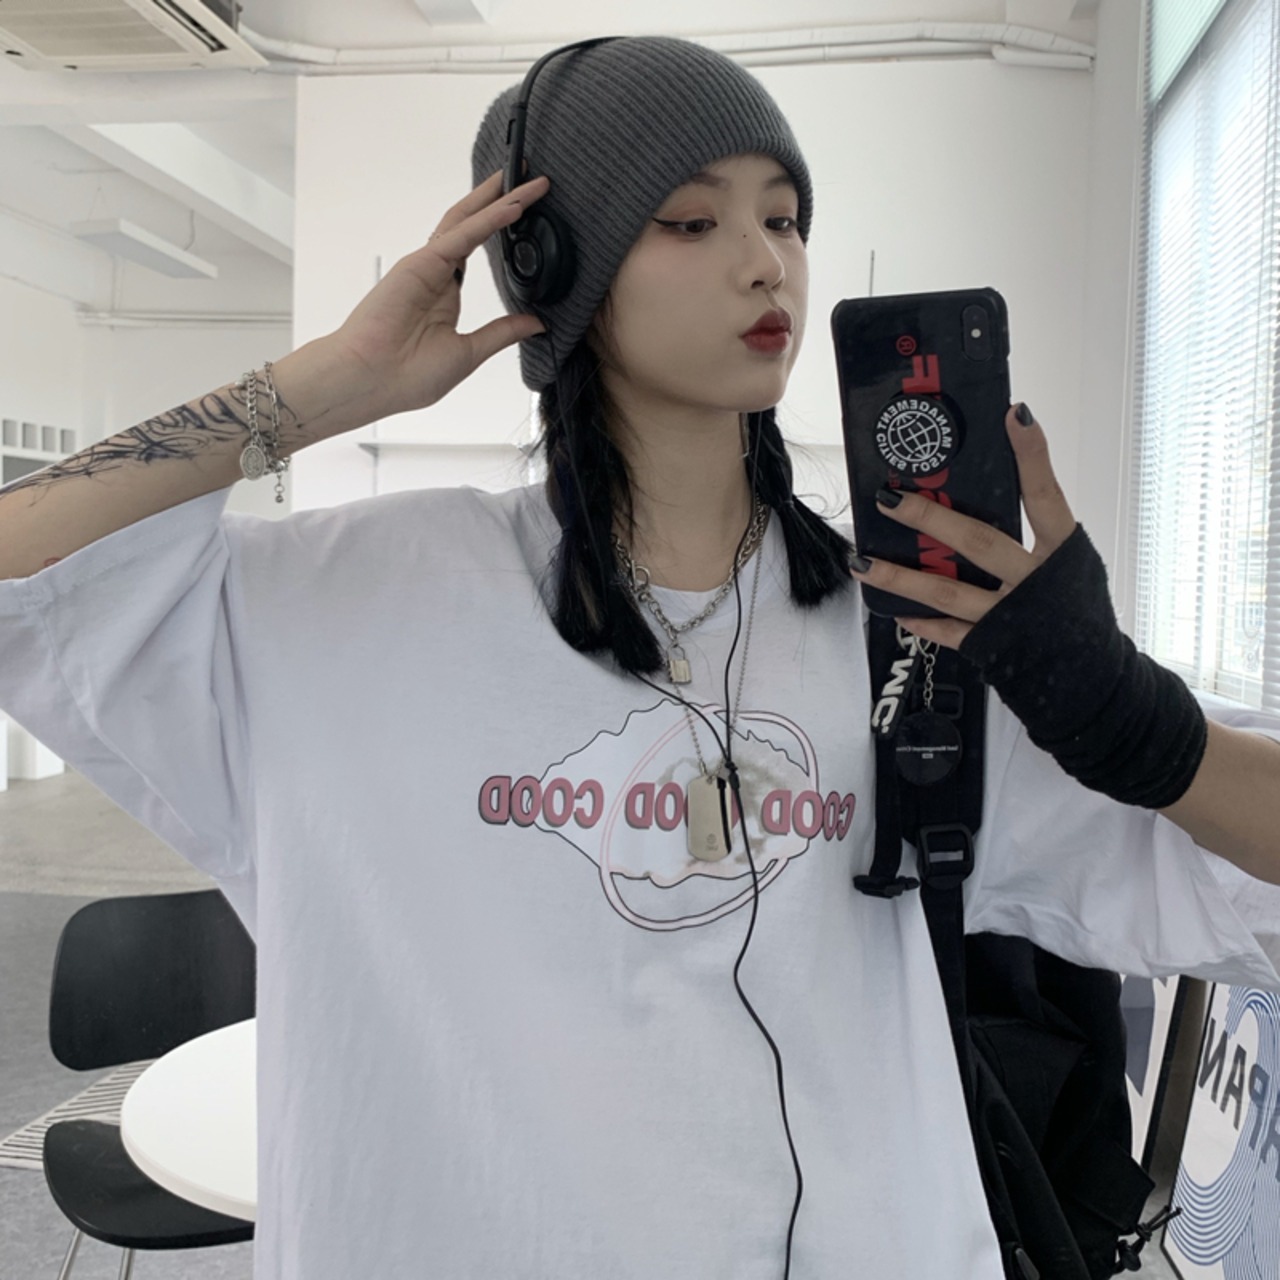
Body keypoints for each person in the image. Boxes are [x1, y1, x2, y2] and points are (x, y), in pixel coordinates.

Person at [0, 33, 1278, 1280]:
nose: (764, 263)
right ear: (550, 262)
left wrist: (1125, 715)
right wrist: (322, 387)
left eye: (783, 218)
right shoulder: (345, 605)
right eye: (689, 220)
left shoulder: (915, 633)